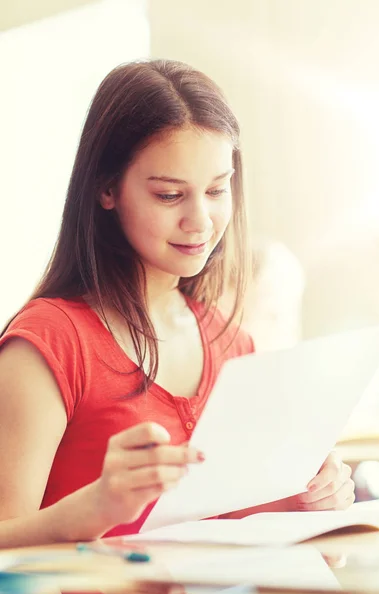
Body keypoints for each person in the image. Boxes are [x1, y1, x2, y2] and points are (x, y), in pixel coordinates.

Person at [0, 59, 354, 548]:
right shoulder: (50, 343)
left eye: (216, 190)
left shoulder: (232, 342)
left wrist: (298, 499)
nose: (201, 221)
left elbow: (220, 528)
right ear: (107, 189)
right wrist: (95, 508)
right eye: (170, 195)